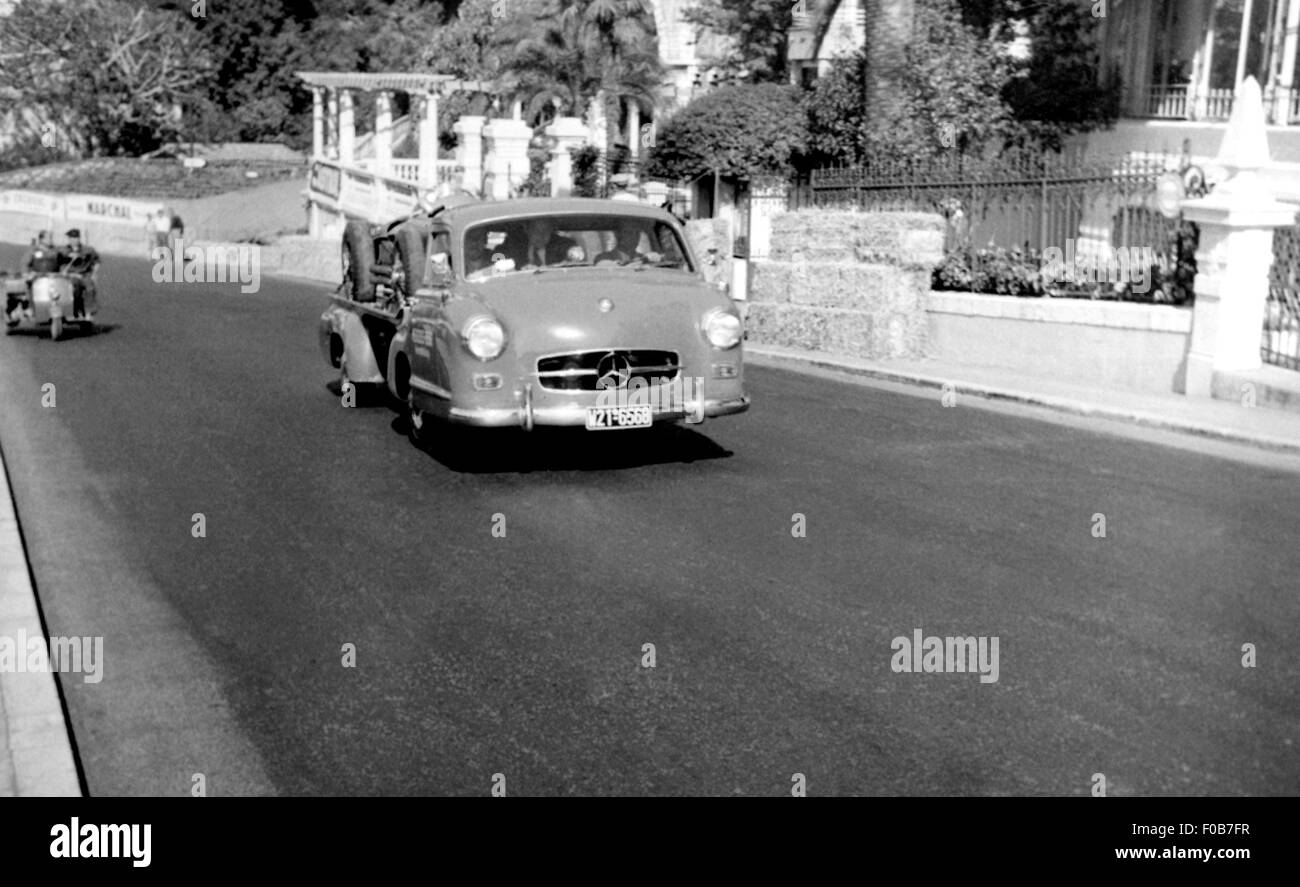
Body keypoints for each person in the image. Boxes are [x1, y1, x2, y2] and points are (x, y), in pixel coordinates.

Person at [59, 229, 99, 317]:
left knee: (90, 287)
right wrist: (70, 255)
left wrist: (94, 273)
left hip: (83, 275)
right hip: (70, 275)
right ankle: (73, 308)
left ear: (79, 238)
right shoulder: (63, 250)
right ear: (69, 239)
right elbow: (59, 257)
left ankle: (88, 311)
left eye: (76, 238)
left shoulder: (88, 250)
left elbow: (96, 261)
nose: (74, 240)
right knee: (74, 287)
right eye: (72, 238)